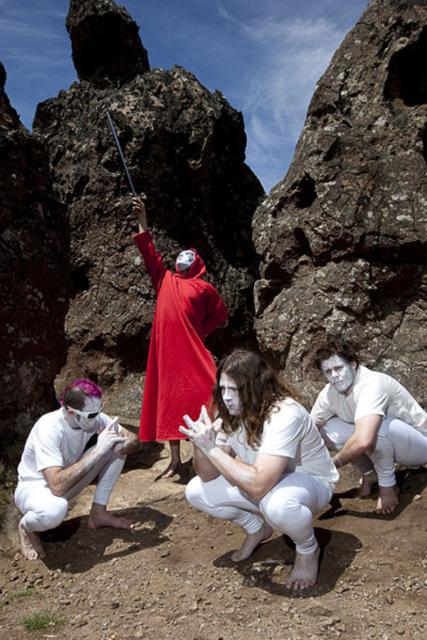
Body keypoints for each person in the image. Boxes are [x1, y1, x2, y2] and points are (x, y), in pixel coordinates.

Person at [180, 349, 339, 590]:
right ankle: (257, 528)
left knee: (277, 505)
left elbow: (259, 485)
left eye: (235, 390)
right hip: (265, 483)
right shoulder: (229, 413)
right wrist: (201, 445)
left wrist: (211, 449)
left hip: (310, 483)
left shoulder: (285, 413)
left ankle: (308, 548)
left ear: (256, 387)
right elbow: (208, 475)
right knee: (196, 491)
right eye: (223, 389)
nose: (227, 398)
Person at [132, 197, 228, 478]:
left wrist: (199, 332)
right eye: (181, 263)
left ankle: (210, 451)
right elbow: (149, 251)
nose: (183, 266)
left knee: (209, 391)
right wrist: (142, 219)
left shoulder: (204, 288)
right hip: (167, 354)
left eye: (188, 263)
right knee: (170, 401)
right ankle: (174, 459)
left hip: (192, 350)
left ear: (196, 265)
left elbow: (220, 314)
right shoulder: (165, 279)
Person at [15, 379, 138, 560]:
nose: (98, 417)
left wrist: (125, 444)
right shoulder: (49, 427)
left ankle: (98, 513)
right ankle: (26, 528)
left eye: (100, 409)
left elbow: (133, 438)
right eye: (92, 414)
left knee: (115, 445)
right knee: (55, 510)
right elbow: (56, 485)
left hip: (67, 480)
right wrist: (98, 451)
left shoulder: (92, 418)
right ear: (70, 412)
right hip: (34, 489)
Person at [311, 340, 427, 515]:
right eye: (328, 371)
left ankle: (388, 487)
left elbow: (364, 440)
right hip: (390, 441)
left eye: (339, 368)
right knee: (324, 430)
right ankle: (370, 474)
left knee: (376, 427)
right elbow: (308, 429)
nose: (334, 375)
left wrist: (331, 465)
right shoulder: (329, 394)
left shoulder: (371, 383)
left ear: (353, 365)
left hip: (419, 445)